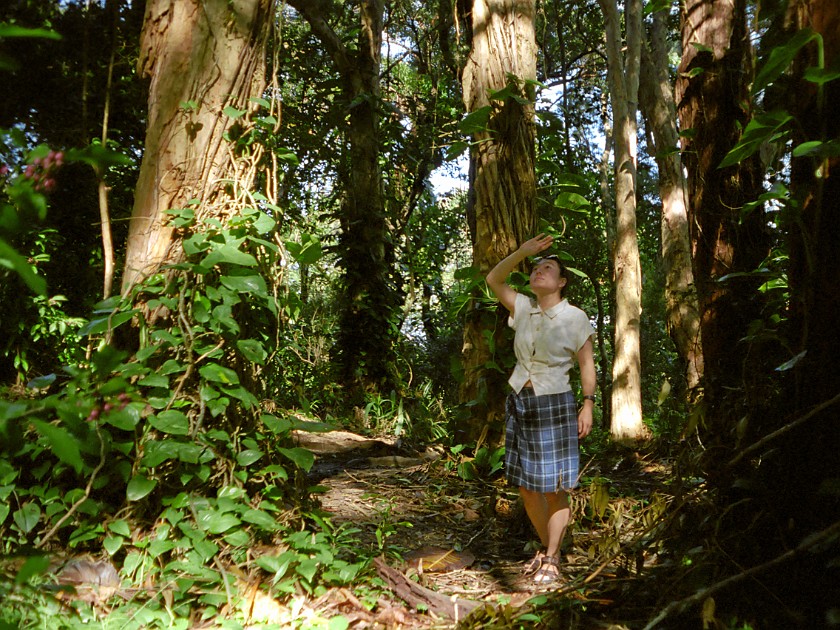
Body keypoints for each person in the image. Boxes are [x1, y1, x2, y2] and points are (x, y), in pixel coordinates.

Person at [486, 233, 596, 585]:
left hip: (555, 402)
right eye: (535, 268)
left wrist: (588, 404)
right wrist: (522, 252)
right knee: (526, 486)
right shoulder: (522, 308)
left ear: (561, 282)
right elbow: (493, 279)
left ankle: (552, 556)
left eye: (547, 268)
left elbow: (586, 365)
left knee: (555, 487)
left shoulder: (575, 317)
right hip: (520, 398)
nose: (539, 271)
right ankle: (547, 546)